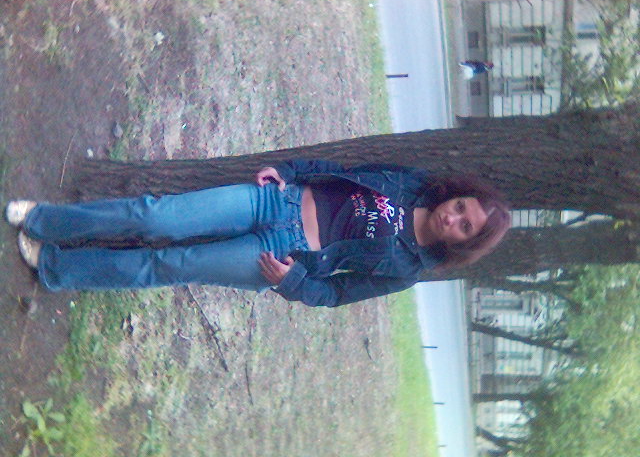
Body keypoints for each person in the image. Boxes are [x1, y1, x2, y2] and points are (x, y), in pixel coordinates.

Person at [5, 160, 510, 307]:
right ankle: (44, 219)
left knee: (167, 265)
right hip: (277, 199)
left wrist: (292, 283)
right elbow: (343, 169)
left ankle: (55, 267)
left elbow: (336, 294)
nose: (453, 218)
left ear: (463, 242)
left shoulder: (407, 269)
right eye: (460, 207)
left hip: (279, 255)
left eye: (464, 226)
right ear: (456, 195)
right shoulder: (412, 182)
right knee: (156, 216)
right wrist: (290, 169)